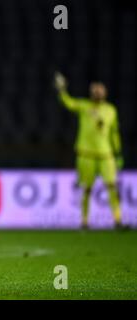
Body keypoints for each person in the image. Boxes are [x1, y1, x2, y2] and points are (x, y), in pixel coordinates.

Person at [54, 72, 126, 230]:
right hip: (86, 154)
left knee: (112, 187)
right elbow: (68, 103)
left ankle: (118, 220)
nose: (97, 93)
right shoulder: (84, 106)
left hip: (106, 154)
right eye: (95, 91)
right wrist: (62, 90)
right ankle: (84, 222)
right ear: (91, 93)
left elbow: (114, 133)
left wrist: (118, 153)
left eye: (100, 90)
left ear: (105, 93)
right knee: (87, 188)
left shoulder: (111, 110)